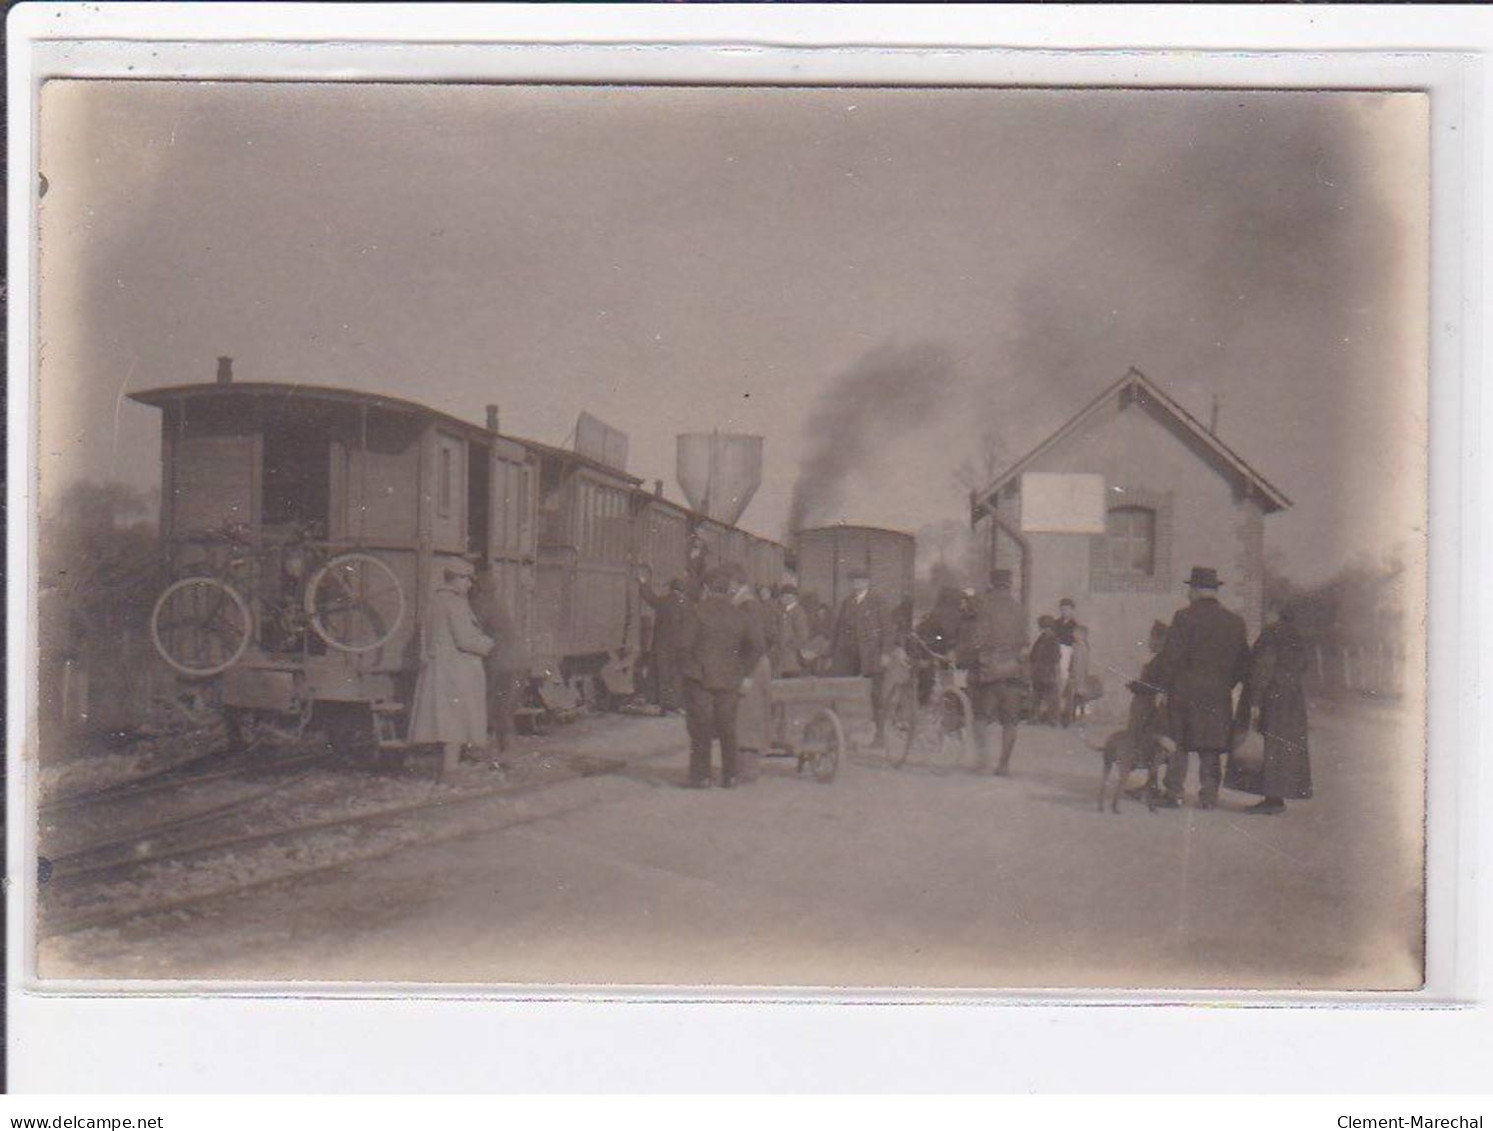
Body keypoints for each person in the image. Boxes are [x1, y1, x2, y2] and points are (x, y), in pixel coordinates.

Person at [1155, 566, 1251, 810]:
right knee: (1211, 746)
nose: (1188, 594)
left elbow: (1170, 658)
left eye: (1190, 589)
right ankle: (1208, 797)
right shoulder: (1235, 622)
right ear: (1214, 590)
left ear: (1196, 590)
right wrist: (1223, 684)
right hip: (1218, 694)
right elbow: (1243, 664)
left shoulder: (1183, 617)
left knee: (1180, 742)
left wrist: (1164, 688)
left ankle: (1174, 793)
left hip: (1184, 691)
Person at [677, 565, 766, 788]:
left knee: (701, 728)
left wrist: (691, 671)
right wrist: (743, 673)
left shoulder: (696, 611)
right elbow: (757, 646)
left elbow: (683, 646)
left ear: (706, 588)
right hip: (729, 681)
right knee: (728, 728)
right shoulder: (739, 615)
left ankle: (701, 777)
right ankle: (731, 776)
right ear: (728, 591)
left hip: (701, 680)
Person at [408, 559, 494, 777]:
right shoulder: (455, 603)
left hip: (438, 668)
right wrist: (489, 645)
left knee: (442, 718)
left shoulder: (434, 601)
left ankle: (441, 766)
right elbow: (464, 639)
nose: (469, 585)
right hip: (456, 670)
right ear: (455, 579)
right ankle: (450, 769)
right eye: (466, 580)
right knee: (456, 720)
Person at [1226, 600, 1313, 815]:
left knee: (1268, 747)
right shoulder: (1296, 635)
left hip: (1270, 698)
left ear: (1276, 613)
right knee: (1282, 749)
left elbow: (1262, 668)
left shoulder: (1271, 634)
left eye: (1268, 611)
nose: (1266, 615)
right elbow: (1304, 665)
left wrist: (1255, 702)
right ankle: (1276, 798)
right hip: (1291, 700)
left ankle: (1271, 801)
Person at [965, 569, 1028, 776]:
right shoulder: (1020, 609)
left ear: (993, 584)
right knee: (1010, 722)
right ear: (1009, 585)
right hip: (1013, 672)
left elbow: (977, 640)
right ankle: (1004, 766)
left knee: (981, 718)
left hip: (989, 672)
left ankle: (984, 763)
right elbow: (1025, 642)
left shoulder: (985, 607)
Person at [831, 566, 896, 747]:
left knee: (876, 696)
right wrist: (833, 653)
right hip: (850, 656)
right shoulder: (847, 602)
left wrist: (885, 653)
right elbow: (838, 630)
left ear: (867, 582)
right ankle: (850, 734)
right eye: (854, 581)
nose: (857, 584)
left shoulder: (878, 601)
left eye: (861, 581)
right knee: (849, 694)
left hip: (872, 656)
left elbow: (888, 630)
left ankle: (880, 735)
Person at [468, 563, 526, 758]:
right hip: (516, 659)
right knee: (504, 706)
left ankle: (505, 750)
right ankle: (505, 748)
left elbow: (473, 630)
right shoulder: (498, 603)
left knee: (496, 706)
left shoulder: (481, 603)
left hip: (499, 661)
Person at [732, 575, 778, 779]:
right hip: (759, 662)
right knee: (751, 715)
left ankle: (749, 768)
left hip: (753, 664)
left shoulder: (746, 607)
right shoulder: (755, 606)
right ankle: (747, 765)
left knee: (748, 715)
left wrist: (747, 674)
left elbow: (756, 643)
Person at [637, 568, 689, 713]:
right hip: (680, 646)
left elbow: (650, 598)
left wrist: (643, 583)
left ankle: (659, 702)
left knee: (661, 673)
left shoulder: (665, 601)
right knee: (677, 674)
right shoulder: (686, 605)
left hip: (662, 644)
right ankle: (677, 704)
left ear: (672, 589)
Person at [1028, 616, 1063, 726]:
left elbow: (1056, 658)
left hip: (1048, 672)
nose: (1042, 630)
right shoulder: (1040, 638)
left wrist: (1056, 673)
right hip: (1038, 672)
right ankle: (1035, 717)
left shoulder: (1054, 640)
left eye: (1045, 627)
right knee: (1037, 696)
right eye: (1042, 627)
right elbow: (1033, 655)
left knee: (1051, 697)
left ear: (1050, 628)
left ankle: (1054, 719)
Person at [773, 584, 812, 677]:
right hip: (782, 658)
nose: (782, 599)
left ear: (793, 597)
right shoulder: (783, 611)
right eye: (782, 596)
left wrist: (789, 648)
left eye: (785, 596)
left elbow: (802, 636)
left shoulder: (798, 612)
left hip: (792, 660)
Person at [1054, 598, 1081, 727]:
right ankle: (1054, 715)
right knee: (1055, 684)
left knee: (1064, 686)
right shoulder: (1056, 623)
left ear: (1072, 610)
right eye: (1063, 609)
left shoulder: (1075, 626)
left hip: (1067, 654)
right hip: (1055, 654)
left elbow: (1074, 644)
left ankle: (1064, 717)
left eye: (1067, 609)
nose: (1065, 611)